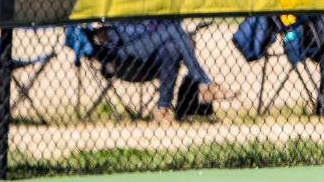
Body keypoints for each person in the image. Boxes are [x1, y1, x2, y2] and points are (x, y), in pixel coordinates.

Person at [90, 19, 229, 122]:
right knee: (173, 30)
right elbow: (118, 36)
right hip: (125, 56)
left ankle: (163, 109)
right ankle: (203, 82)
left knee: (172, 49)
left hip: (153, 59)